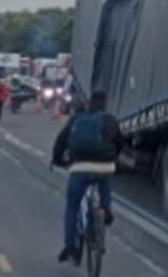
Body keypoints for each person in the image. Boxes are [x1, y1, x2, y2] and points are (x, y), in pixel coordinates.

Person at [51, 91, 122, 264]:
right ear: (105, 104)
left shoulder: (76, 119)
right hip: (104, 166)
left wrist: (57, 160)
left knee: (72, 206)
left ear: (89, 103)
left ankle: (69, 245)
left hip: (80, 167)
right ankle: (105, 210)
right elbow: (120, 143)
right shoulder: (110, 120)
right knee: (105, 181)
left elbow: (61, 141)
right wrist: (113, 158)